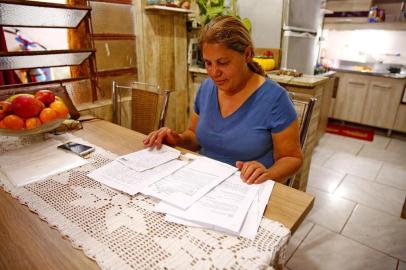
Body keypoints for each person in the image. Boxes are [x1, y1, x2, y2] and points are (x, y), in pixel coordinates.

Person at [144, 15, 303, 185]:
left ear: (247, 54)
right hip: (202, 182)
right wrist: (177, 139)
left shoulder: (275, 99)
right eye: (208, 63)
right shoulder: (206, 88)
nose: (213, 72)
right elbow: (194, 136)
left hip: (247, 189)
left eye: (223, 62)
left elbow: (292, 158)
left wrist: (267, 173)